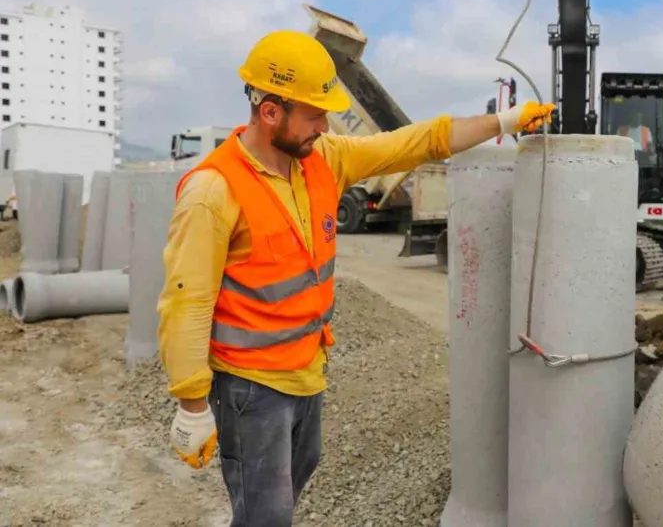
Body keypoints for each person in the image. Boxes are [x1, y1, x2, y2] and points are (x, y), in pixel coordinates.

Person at [157, 29, 554, 526]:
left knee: (287, 489)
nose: (325, 125)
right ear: (271, 112)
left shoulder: (323, 160)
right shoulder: (213, 192)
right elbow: (185, 301)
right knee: (267, 515)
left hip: (306, 371)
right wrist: (192, 405)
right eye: (315, 114)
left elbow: (415, 143)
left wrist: (505, 120)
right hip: (250, 387)